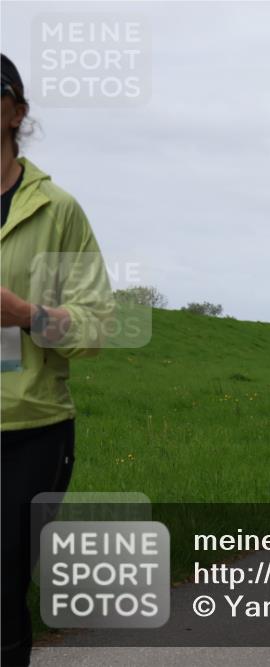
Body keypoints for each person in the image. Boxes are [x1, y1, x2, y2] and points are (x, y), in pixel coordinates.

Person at [1, 53, 114, 667]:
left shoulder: (56, 209)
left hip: (30, 429)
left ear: (17, 111)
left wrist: (28, 316)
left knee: (2, 582)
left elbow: (97, 324)